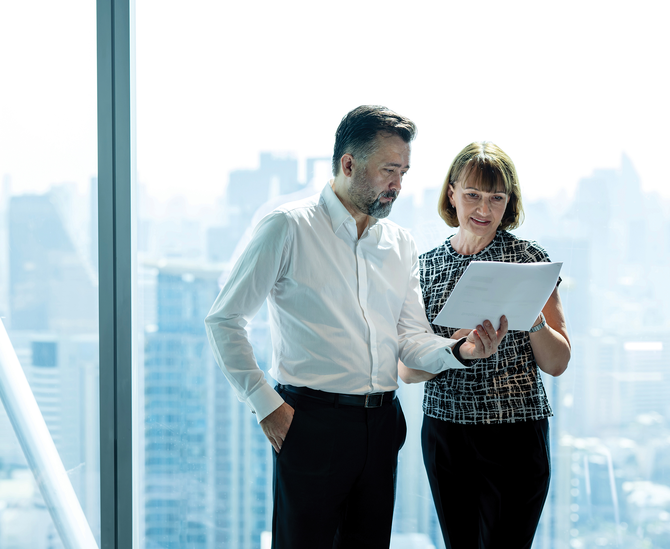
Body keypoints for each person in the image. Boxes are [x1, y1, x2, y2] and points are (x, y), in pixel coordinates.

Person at [204, 106, 509, 549]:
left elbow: (410, 339)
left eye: (403, 172)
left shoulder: (399, 242)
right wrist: (266, 405)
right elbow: (224, 319)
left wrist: (460, 351)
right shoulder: (287, 228)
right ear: (348, 164)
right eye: (389, 171)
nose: (398, 186)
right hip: (309, 422)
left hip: (382, 425)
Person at [399, 141, 571, 549]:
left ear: (509, 202)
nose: (484, 208)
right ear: (452, 193)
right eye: (473, 194)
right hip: (446, 433)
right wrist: (456, 348)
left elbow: (558, 361)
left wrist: (533, 321)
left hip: (516, 434)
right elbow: (407, 371)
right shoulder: (423, 267)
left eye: (497, 197)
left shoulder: (530, 260)